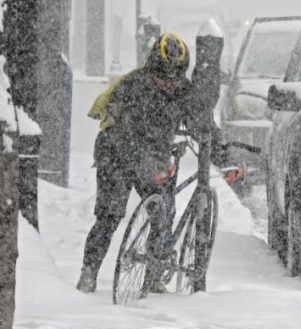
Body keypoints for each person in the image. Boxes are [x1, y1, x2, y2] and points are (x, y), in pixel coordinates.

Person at [77, 32, 227, 293]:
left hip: (153, 157)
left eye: (176, 76)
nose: (170, 82)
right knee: (109, 216)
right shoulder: (133, 87)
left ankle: (154, 273)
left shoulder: (183, 90)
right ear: (151, 69)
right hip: (115, 155)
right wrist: (147, 164)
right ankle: (88, 273)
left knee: (163, 214)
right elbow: (123, 134)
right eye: (163, 76)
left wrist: (222, 152)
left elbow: (200, 123)